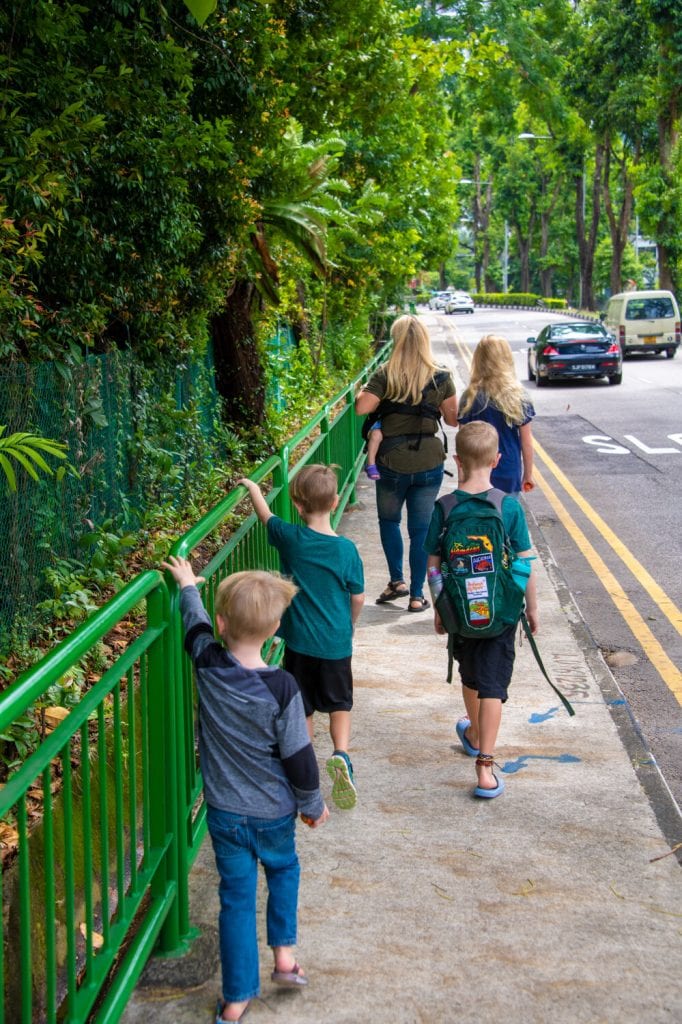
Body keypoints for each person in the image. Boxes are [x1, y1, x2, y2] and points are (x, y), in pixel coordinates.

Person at [160, 557, 329, 1024]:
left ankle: (235, 1001)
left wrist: (188, 585)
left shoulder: (209, 664)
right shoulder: (284, 689)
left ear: (222, 624)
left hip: (225, 813)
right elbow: (299, 757)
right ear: (276, 628)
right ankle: (285, 960)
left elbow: (194, 628)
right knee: (283, 874)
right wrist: (313, 804)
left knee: (235, 898)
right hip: (275, 811)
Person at [238, 465, 365, 811]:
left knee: (303, 705)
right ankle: (341, 754)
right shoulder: (347, 551)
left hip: (300, 644)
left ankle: (304, 767)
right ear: (336, 500)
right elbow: (357, 597)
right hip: (336, 643)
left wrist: (252, 488)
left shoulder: (292, 539)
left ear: (296, 504)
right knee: (340, 702)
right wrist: (350, 625)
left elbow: (266, 517)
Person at [424, 421, 539, 799]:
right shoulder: (507, 507)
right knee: (493, 686)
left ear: (457, 460)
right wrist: (531, 608)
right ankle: (485, 767)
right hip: (501, 612)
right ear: (497, 459)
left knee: (471, 677)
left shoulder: (444, 507)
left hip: (461, 611)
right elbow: (525, 563)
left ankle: (473, 733)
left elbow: (434, 566)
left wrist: (442, 608)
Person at [355, 314, 458, 611]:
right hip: (429, 462)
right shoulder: (441, 376)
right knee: (421, 529)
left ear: (396, 340)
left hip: (391, 462)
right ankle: (416, 595)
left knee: (389, 522)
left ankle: (396, 580)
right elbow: (452, 419)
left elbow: (362, 407)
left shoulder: (386, 373)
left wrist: (361, 390)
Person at [458, 333, 536, 496]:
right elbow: (526, 441)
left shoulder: (470, 396)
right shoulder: (518, 397)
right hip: (508, 470)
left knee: (480, 520)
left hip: (475, 473)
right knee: (507, 518)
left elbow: (462, 443)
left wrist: (462, 479)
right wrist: (528, 474)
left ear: (478, 360)